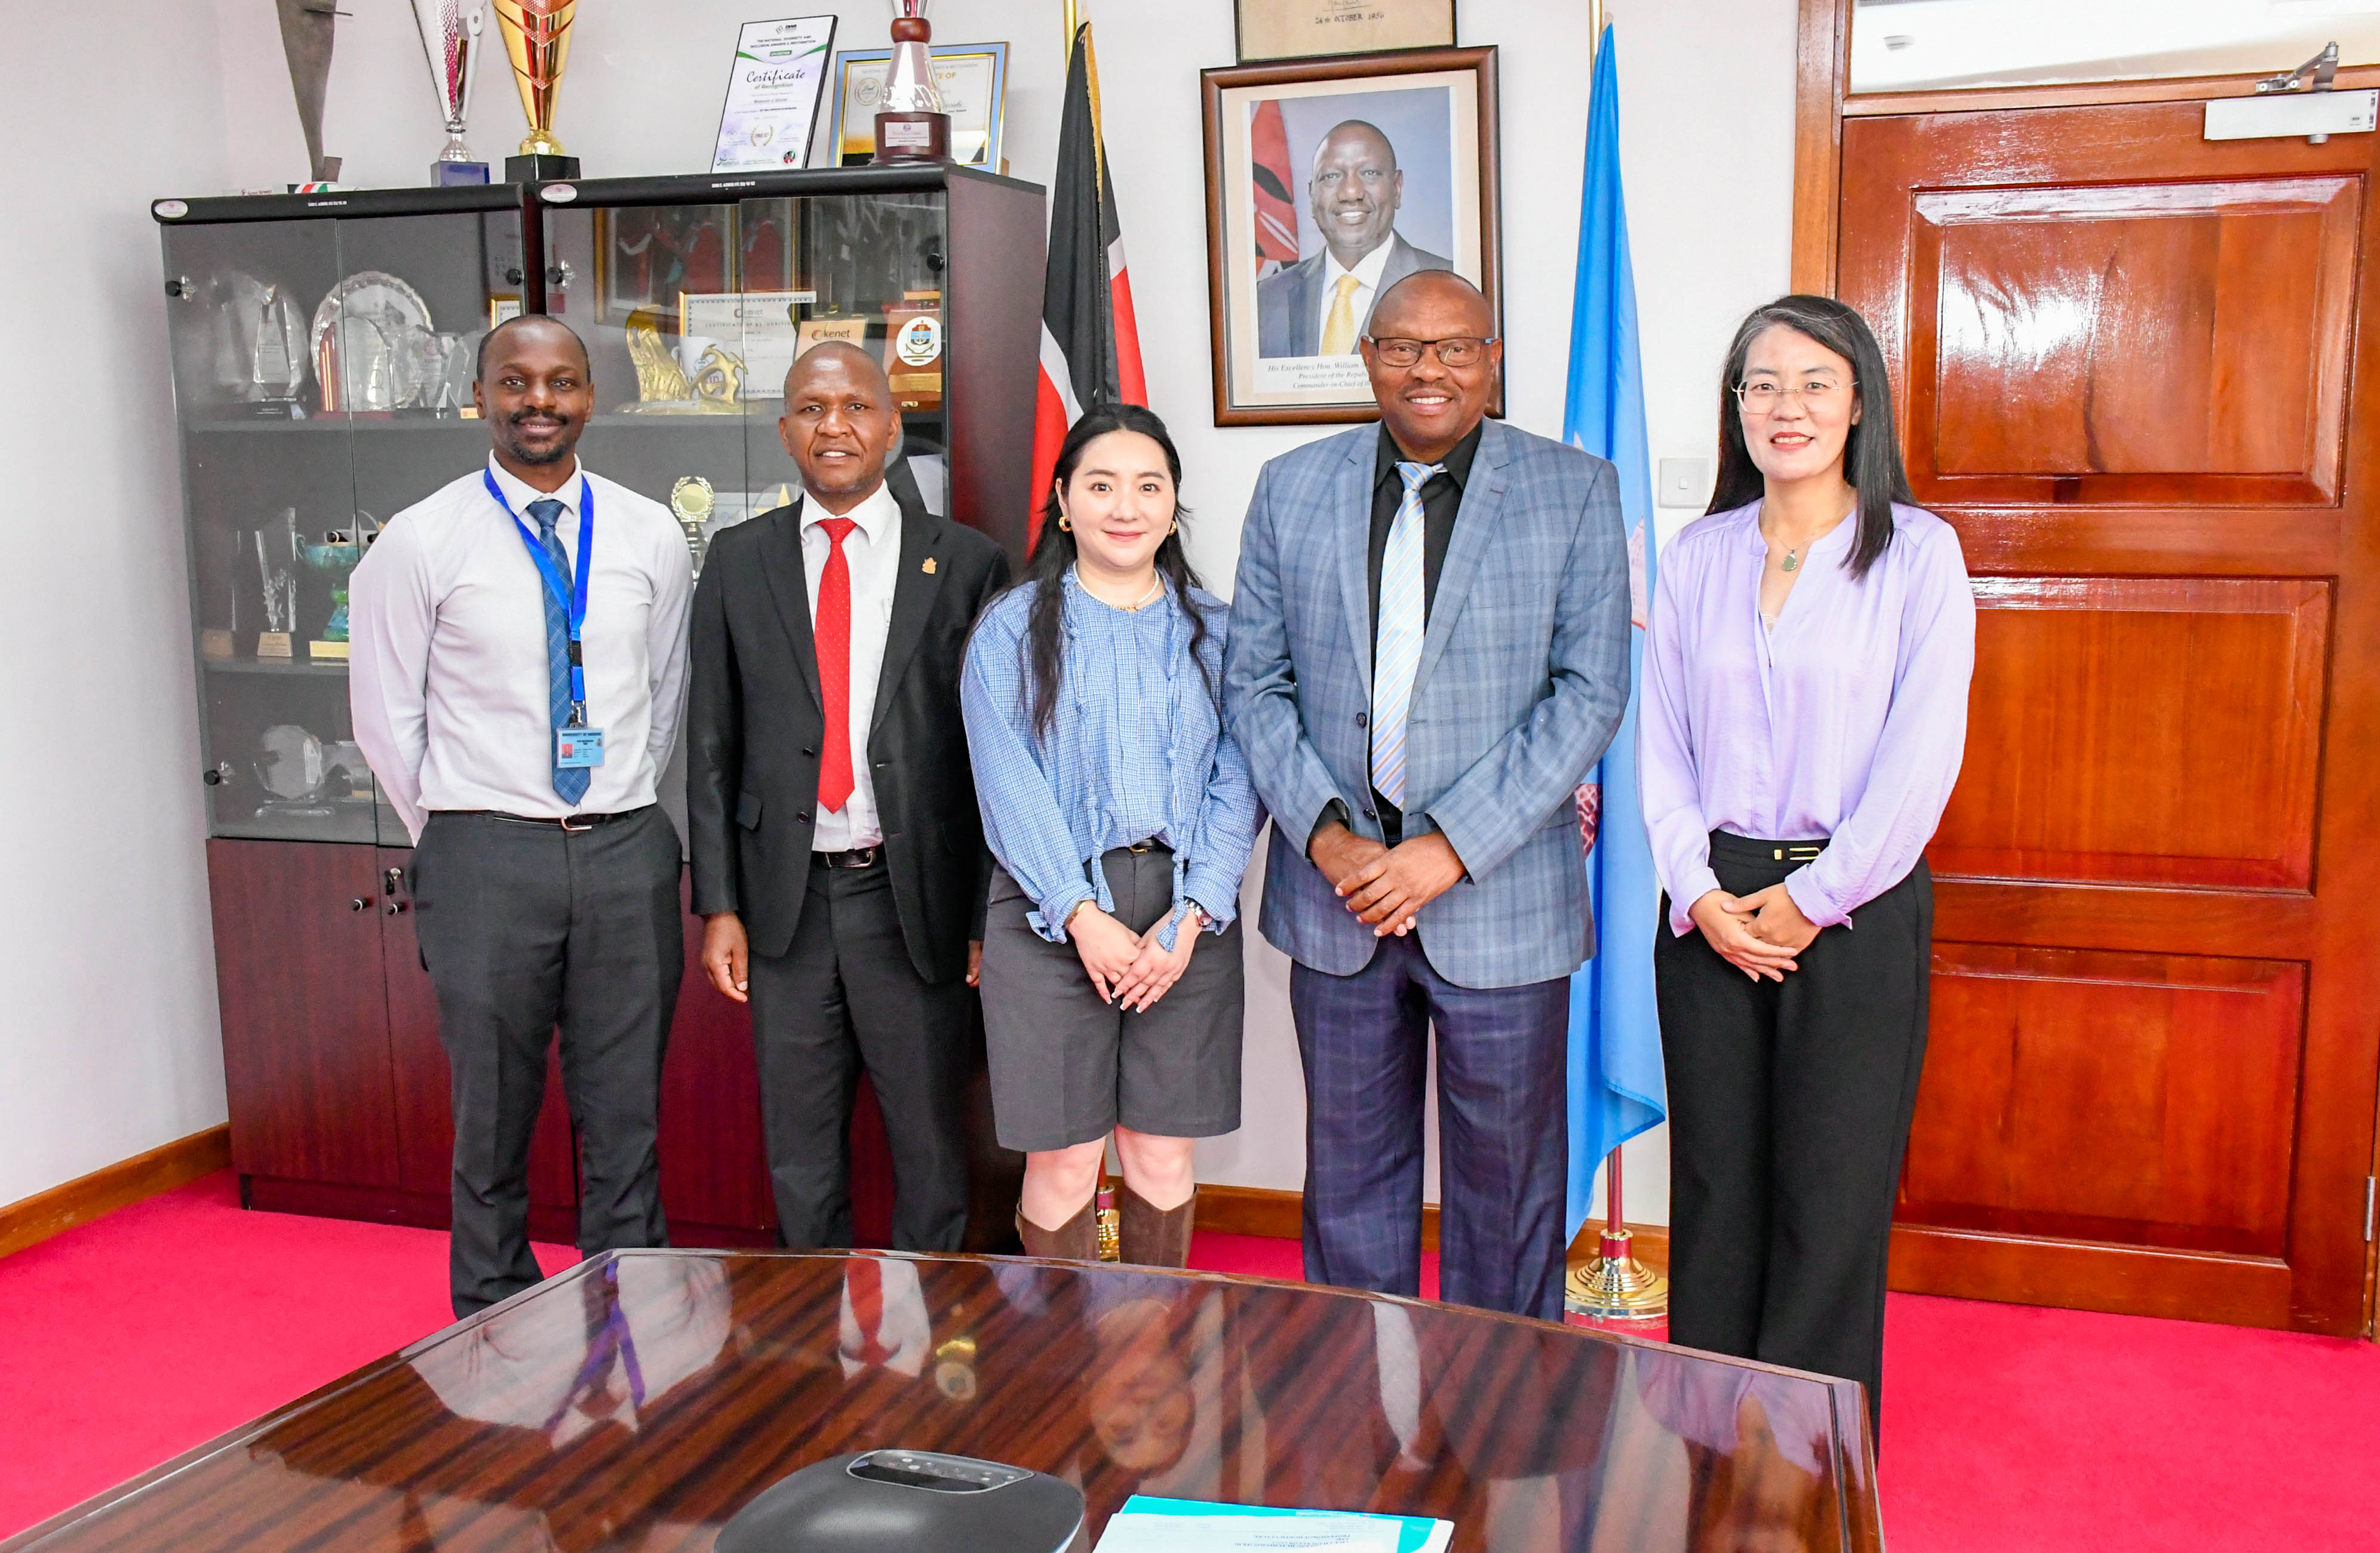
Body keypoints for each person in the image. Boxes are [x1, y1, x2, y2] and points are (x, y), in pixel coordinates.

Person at [1224, 270, 1632, 1320]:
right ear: (1368, 358)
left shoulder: (1574, 489)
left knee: (1509, 1199)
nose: (1428, 369)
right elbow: (1254, 681)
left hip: (1501, 903)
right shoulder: (1291, 487)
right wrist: (1329, 841)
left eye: (1455, 347)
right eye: (1403, 346)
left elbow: (1590, 692)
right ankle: (1360, 1404)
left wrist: (1445, 849)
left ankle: (1501, 1409)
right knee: (1351, 1189)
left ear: (1492, 360)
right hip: (1338, 903)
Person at [1639, 294, 1974, 1436]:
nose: (1788, 406)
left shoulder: (1918, 555)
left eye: (1815, 383)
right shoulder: (1697, 557)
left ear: (1859, 402)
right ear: (1736, 407)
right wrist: (1699, 893)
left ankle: (1808, 1470)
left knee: (1829, 1197)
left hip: (1855, 907)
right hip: (1712, 908)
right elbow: (1662, 746)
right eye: (1764, 384)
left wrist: (1815, 899)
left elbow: (1921, 760)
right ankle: (1708, 1446)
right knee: (1717, 1190)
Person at [348, 315, 693, 1319]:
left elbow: (663, 693)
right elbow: (385, 718)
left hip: (625, 848)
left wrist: (613, 798)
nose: (539, 400)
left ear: (591, 396)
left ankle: (626, 1307)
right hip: (484, 854)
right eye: (515, 382)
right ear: (480, 395)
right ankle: (493, 1316)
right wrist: (460, 828)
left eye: (561, 382)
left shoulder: (648, 533)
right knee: (492, 1110)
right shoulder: (420, 538)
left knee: (625, 1110)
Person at [686, 341, 1009, 1253]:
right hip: (783, 905)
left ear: (893, 426)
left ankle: (934, 1324)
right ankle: (811, 1322)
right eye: (812, 408)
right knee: (799, 1152)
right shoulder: (737, 559)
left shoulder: (966, 562)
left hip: (912, 902)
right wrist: (719, 904)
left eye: (857, 406)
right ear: (785, 430)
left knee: (932, 1147)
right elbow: (709, 742)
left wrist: (984, 911)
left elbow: (996, 760)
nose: (835, 425)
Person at [962, 405, 1259, 1268]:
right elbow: (1006, 781)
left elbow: (1242, 775)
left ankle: (1155, 1348)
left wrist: (1194, 914)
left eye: (1147, 487)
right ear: (1063, 502)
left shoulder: (1220, 632)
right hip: (1047, 914)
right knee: (1063, 1160)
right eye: (1100, 485)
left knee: (1160, 1153)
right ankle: (1060, 1351)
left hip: (1186, 917)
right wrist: (1079, 912)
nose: (1124, 507)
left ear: (1172, 506)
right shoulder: (1010, 628)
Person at [1257, 119, 1454, 359]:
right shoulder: (1266, 298)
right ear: (1311, 195)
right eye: (1331, 176)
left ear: (1397, 188)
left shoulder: (1452, 285)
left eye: (1370, 174)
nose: (1351, 193)